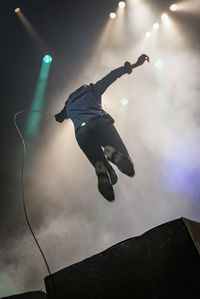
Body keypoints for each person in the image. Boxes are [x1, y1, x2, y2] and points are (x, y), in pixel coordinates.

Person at [55, 54, 149, 202]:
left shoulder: (68, 105)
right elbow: (112, 76)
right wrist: (135, 64)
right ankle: (113, 154)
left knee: (98, 161)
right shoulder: (92, 90)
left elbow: (60, 117)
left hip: (82, 134)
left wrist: (60, 116)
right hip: (99, 123)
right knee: (125, 159)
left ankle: (106, 169)